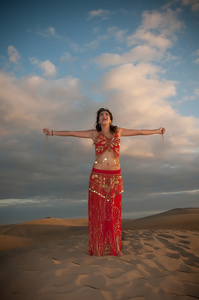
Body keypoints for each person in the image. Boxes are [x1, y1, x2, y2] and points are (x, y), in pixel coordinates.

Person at [43, 108, 166, 256]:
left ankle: (115, 247)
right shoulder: (94, 133)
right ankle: (97, 247)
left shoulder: (118, 132)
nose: (104, 116)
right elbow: (72, 133)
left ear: (111, 119)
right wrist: (52, 132)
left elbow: (139, 131)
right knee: (98, 212)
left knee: (114, 212)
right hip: (97, 177)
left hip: (115, 177)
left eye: (106, 114)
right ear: (98, 120)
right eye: (101, 114)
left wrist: (157, 131)